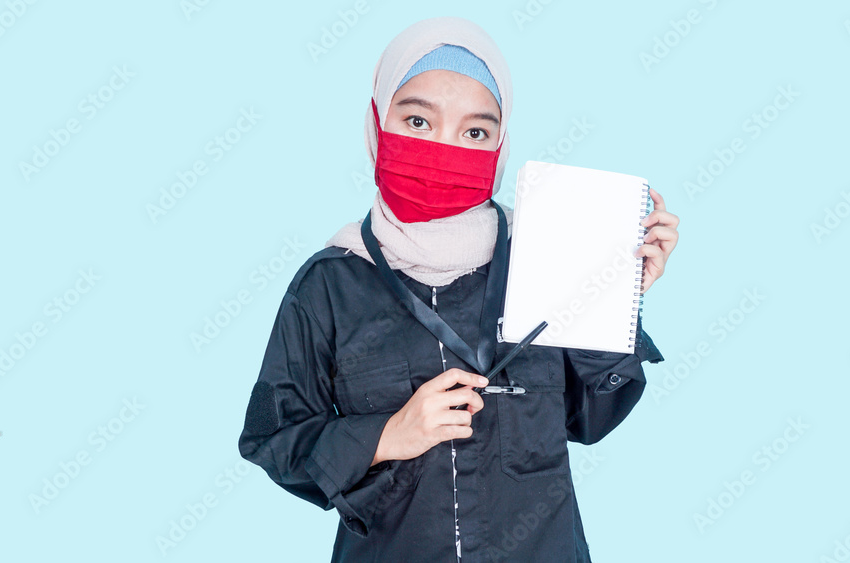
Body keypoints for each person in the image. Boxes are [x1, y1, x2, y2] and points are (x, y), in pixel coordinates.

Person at [238, 16, 679, 562]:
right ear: (378, 124)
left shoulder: (549, 253)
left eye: (475, 132)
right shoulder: (328, 283)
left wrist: (616, 300)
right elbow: (272, 439)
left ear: (501, 143)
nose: (445, 148)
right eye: (418, 120)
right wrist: (388, 436)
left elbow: (591, 419)